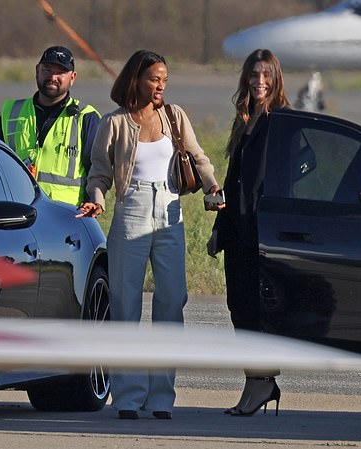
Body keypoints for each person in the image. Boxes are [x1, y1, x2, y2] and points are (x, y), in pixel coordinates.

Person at [77, 50, 222, 420]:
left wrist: (213, 189)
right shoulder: (115, 123)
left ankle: (160, 397)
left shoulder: (174, 116)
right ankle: (128, 396)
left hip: (170, 211)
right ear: (136, 79)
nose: (161, 86)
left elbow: (198, 156)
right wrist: (96, 199)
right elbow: (98, 173)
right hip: (131, 209)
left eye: (165, 80)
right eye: (155, 79)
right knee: (126, 305)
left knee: (172, 301)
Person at [207, 49, 291, 416]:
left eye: (266, 75)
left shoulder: (283, 119)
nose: (260, 81)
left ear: (276, 78)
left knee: (257, 312)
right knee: (238, 309)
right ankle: (255, 383)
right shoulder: (244, 119)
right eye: (254, 74)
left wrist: (275, 195)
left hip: (263, 231)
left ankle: (263, 381)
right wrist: (218, 227)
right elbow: (232, 178)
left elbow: (307, 161)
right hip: (237, 228)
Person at [0, 46, 101, 206]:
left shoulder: (87, 117)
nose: (53, 76)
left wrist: (94, 202)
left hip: (65, 217)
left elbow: (98, 170)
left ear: (72, 77)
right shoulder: (12, 112)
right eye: (47, 69)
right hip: (17, 212)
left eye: (60, 72)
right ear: (37, 70)